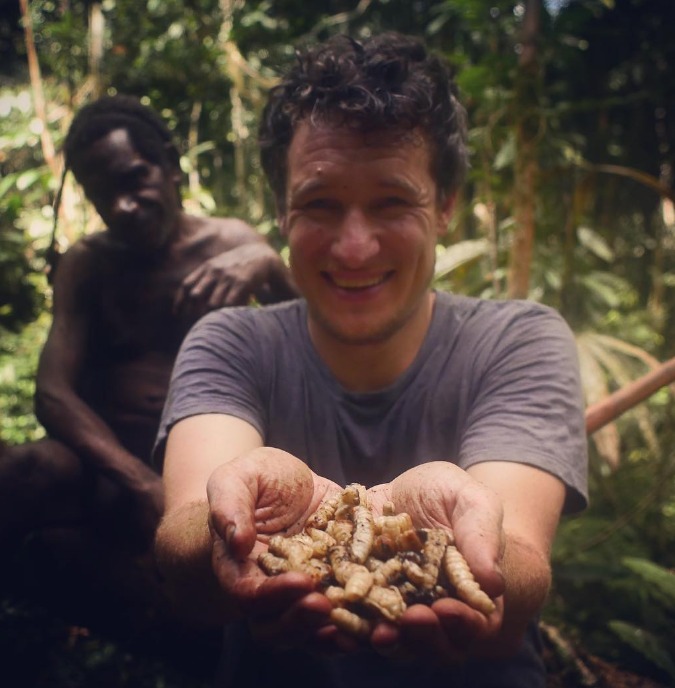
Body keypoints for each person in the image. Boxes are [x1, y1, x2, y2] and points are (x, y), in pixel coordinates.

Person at [153, 33, 588, 688]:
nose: (354, 247)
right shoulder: (228, 342)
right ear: (281, 212)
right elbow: (184, 545)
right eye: (319, 204)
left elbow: (517, 566)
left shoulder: (518, 340)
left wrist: (482, 551)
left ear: (445, 206)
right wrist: (225, 532)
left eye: (392, 202)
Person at [0, 94, 297, 636]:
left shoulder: (232, 244)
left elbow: (314, 349)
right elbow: (53, 393)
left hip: (211, 469)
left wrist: (270, 266)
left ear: (170, 165)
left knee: (230, 528)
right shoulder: (88, 264)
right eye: (102, 194)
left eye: (134, 179)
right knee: (24, 471)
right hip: (108, 471)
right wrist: (139, 481)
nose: (123, 206)